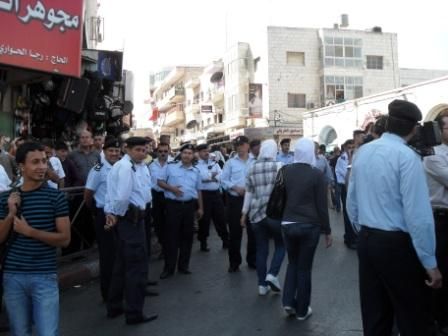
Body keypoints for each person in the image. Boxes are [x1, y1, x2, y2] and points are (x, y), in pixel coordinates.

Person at [347, 99, 442, 336]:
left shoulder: (363, 152)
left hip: (368, 241)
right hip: (396, 245)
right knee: (412, 315)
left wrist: (366, 233)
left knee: (375, 315)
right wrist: (429, 263)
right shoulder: (407, 157)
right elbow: (418, 216)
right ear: (414, 128)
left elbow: (352, 204)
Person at [0, 142, 70, 335]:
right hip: (13, 276)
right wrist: (10, 213)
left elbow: (64, 239)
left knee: (47, 332)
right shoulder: (7, 198)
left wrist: (30, 231)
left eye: (44, 161)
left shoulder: (56, 198)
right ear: (21, 166)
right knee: (19, 331)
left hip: (44, 276)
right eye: (35, 162)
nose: (42, 167)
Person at [104, 137, 157, 325]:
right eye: (138, 150)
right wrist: (115, 215)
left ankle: (115, 306)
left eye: (144, 150)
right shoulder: (126, 167)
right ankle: (134, 313)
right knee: (136, 267)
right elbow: (121, 197)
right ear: (127, 149)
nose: (142, 153)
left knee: (121, 265)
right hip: (130, 219)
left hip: (135, 218)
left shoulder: (140, 166)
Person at [279, 138, 332, 320]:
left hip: (287, 223)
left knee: (292, 263)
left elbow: (280, 198)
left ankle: (287, 301)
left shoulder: (284, 170)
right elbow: (322, 205)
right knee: (304, 268)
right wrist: (327, 231)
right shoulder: (317, 174)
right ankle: (302, 310)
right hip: (310, 225)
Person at [241, 139, 285, 296]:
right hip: (274, 214)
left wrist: (244, 214)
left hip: (256, 214)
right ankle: (272, 274)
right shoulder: (279, 167)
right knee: (281, 245)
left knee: (261, 250)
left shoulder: (251, 168)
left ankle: (261, 285)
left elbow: (249, 193)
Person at [157, 143, 204, 279]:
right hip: (173, 206)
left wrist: (201, 208)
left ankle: (183, 266)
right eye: (184, 153)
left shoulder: (196, 171)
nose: (187, 155)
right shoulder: (170, 167)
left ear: (193, 155)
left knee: (187, 237)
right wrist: (172, 189)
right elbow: (159, 182)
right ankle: (169, 268)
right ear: (180, 154)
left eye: (189, 153)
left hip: (189, 207)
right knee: (171, 237)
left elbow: (198, 190)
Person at [84, 138, 121, 302]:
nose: (114, 154)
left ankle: (119, 290)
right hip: (103, 215)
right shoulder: (98, 169)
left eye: (117, 151)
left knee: (119, 254)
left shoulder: (121, 168)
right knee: (107, 257)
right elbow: (88, 193)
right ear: (104, 152)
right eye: (111, 151)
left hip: (119, 215)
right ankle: (107, 294)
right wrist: (94, 211)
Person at [423, 113, 448, 334]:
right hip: (440, 219)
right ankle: (438, 319)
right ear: (440, 131)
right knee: (441, 269)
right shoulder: (432, 155)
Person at [221, 136, 256, 272]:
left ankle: (252, 260)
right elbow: (223, 181)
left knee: (253, 232)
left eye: (242, 145)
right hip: (235, 201)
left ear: (248, 146)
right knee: (235, 233)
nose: (240, 148)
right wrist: (235, 188)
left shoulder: (255, 162)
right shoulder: (230, 163)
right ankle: (234, 262)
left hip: (252, 200)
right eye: (237, 145)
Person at [196, 144, 229, 251]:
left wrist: (210, 177)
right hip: (204, 195)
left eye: (207, 151)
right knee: (204, 220)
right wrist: (212, 176)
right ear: (199, 153)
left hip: (216, 194)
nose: (206, 153)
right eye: (203, 151)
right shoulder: (196, 165)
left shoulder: (214, 163)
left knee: (221, 218)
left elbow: (221, 175)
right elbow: (201, 178)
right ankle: (203, 242)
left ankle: (225, 240)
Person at [149, 142, 170, 259]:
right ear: (157, 152)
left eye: (165, 151)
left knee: (170, 222)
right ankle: (163, 247)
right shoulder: (151, 165)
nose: (163, 154)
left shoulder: (174, 164)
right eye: (160, 151)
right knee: (158, 223)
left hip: (169, 195)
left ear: (169, 151)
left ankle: (170, 247)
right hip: (156, 196)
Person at [335, 139, 357, 249]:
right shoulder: (342, 159)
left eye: (353, 147)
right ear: (345, 148)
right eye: (349, 147)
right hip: (346, 188)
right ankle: (349, 238)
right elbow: (345, 174)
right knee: (348, 214)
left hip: (355, 189)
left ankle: (354, 236)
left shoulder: (357, 158)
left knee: (355, 213)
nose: (351, 150)